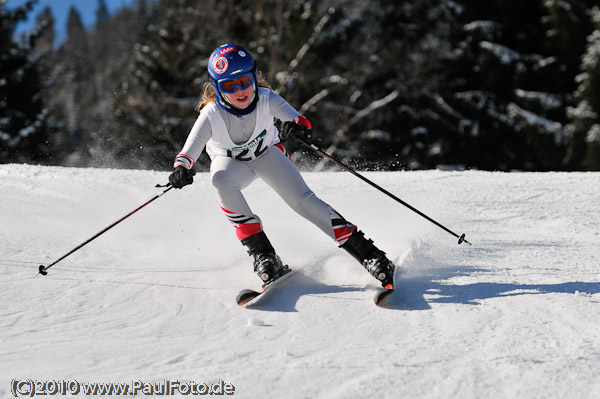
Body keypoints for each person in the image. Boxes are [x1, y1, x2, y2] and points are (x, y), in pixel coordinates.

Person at [168, 43, 396, 288]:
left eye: (245, 81)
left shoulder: (266, 99)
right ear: (216, 88)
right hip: (232, 164)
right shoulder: (211, 114)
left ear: (254, 77)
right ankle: (264, 256)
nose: (240, 90)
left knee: (304, 202)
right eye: (229, 86)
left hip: (268, 156)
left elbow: (299, 121)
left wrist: (297, 128)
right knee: (221, 181)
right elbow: (189, 150)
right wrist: (182, 168)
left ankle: (371, 255)